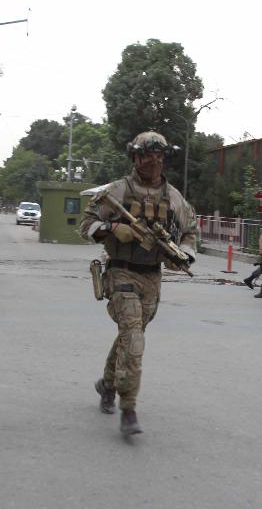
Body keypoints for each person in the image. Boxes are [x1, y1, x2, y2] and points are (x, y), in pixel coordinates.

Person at [80, 131, 198, 436]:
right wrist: (111, 227)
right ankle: (128, 407)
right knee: (133, 337)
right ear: (135, 157)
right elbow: (86, 224)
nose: (154, 163)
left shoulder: (174, 197)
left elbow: (190, 232)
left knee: (130, 336)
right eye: (147, 157)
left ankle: (107, 384)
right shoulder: (116, 192)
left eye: (159, 157)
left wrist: (182, 254)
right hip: (121, 273)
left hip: (152, 278)